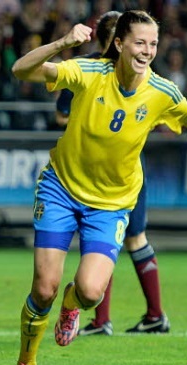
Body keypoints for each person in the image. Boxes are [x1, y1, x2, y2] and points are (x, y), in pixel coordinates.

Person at [9, 10, 187, 365]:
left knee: (91, 293)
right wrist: (63, 43)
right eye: (140, 42)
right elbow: (21, 70)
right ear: (119, 44)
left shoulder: (162, 92)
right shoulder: (88, 73)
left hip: (111, 204)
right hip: (61, 188)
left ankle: (71, 306)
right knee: (43, 288)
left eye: (154, 44)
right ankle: (25, 364)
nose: (148, 51)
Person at [55, 11, 170, 337]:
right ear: (117, 39)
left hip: (107, 171)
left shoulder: (92, 66)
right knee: (125, 238)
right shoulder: (139, 71)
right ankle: (149, 315)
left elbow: (61, 114)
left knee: (108, 239)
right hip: (129, 166)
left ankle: (109, 318)